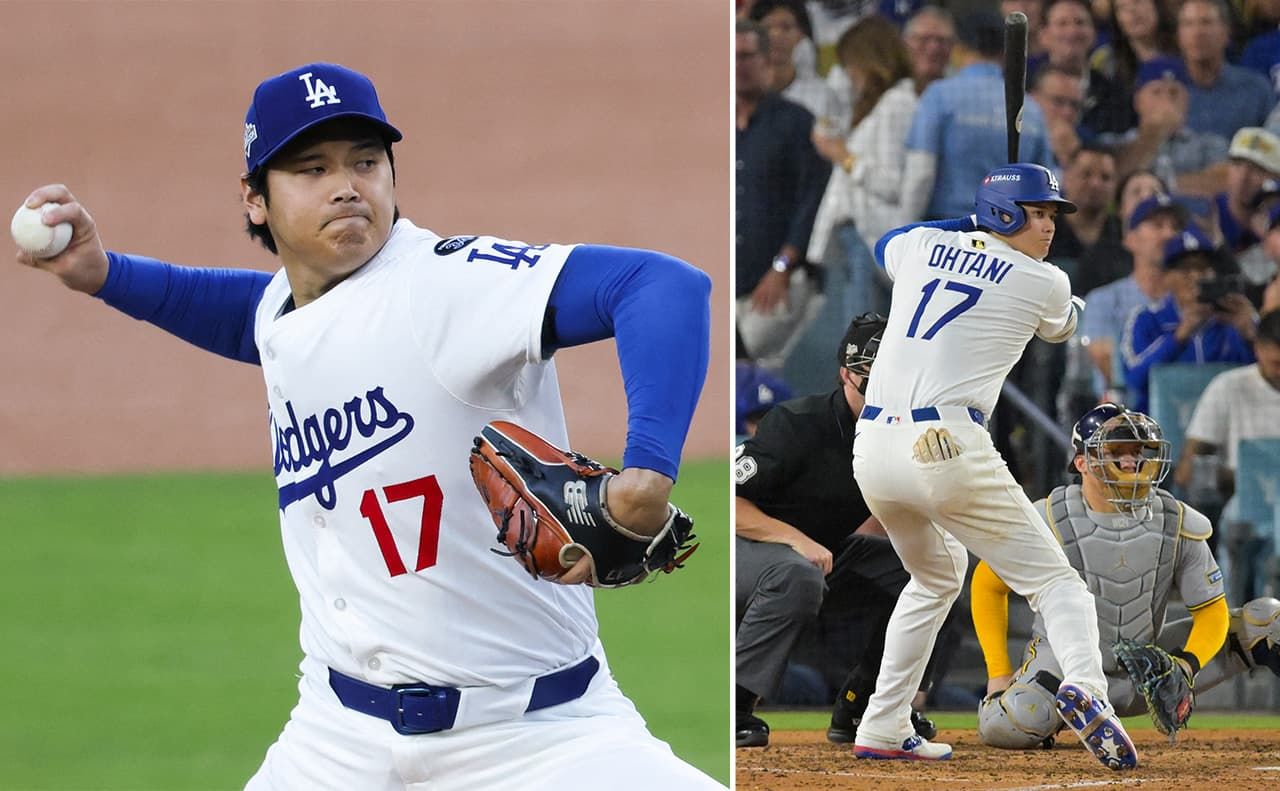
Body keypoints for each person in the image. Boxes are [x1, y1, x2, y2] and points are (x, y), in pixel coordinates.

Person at [14, 62, 722, 790]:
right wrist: (106, 273)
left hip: (536, 739)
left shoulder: (443, 284)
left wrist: (644, 476)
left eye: (365, 161)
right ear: (255, 201)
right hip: (335, 738)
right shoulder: (291, 308)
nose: (347, 184)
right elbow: (253, 318)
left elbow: (660, 285)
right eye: (311, 168)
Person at [851, 162, 1140, 770]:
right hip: (948, 444)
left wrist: (974, 227)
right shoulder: (1046, 281)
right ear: (1007, 213)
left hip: (873, 449)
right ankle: (1090, 692)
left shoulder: (925, 244)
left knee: (935, 577)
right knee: (1058, 585)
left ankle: (882, 722)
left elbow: (889, 240)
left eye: (1052, 214)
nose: (1049, 226)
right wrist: (992, 237)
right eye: (1036, 213)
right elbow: (1064, 329)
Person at [973, 403, 1280, 749]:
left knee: (1269, 623)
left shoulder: (1176, 520)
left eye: (1139, 450)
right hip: (1062, 671)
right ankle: (1051, 714)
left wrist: (1186, 665)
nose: (1132, 459)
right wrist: (998, 673)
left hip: (1147, 669)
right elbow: (987, 583)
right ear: (1082, 462)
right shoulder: (1048, 518)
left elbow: (1211, 610)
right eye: (1117, 450)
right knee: (1012, 724)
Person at [734, 314, 939, 749]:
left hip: (826, 552)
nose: (884, 389)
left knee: (933, 574)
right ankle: (734, 707)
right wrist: (795, 540)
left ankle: (866, 703)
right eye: (872, 378)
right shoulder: (797, 423)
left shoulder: (900, 434)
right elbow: (729, 502)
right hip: (746, 549)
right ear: (845, 374)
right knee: (796, 573)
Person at [736, 18, 832, 370]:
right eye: (731, 57)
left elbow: (813, 200)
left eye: (747, 56)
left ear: (767, 59)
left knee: (746, 359)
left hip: (778, 280)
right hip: (727, 282)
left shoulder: (797, 123)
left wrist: (782, 267)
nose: (739, 66)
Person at [809, 15, 919, 319]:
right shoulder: (880, 105)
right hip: (858, 237)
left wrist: (843, 156)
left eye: (850, 65)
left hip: (870, 238)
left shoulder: (897, 105)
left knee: (862, 348)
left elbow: (892, 183)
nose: (849, 75)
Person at [900, 10, 1055, 223]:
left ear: (959, 48)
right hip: (1007, 231)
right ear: (1004, 52)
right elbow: (1044, 183)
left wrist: (904, 232)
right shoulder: (1032, 108)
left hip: (948, 229)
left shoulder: (939, 95)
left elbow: (921, 174)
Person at [1174, 308, 1280, 596]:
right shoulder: (1228, 389)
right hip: (1246, 503)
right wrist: (1243, 477)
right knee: (1239, 529)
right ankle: (1233, 616)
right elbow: (1188, 470)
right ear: (1258, 348)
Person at [1120, 225, 1257, 412]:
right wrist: (1179, 336)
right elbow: (1134, 380)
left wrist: (1251, 335)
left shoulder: (1235, 317)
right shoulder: (1146, 319)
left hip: (1228, 423)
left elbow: (1268, 378)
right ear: (1166, 277)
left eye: (1203, 268)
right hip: (1161, 426)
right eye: (1185, 269)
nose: (1195, 276)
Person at [1082, 192, 1188, 398]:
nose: (1169, 234)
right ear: (1130, 239)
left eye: (1176, 228)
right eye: (1157, 225)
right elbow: (1108, 369)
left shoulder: (1191, 301)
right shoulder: (1103, 300)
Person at [1097, 56, 1230, 197]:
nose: (1166, 101)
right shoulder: (1113, 142)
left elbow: (1223, 182)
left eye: (1174, 93)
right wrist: (1153, 135)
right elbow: (1112, 181)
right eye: (1156, 92)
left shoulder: (1211, 144)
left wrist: (1160, 187)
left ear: (1187, 101)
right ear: (1137, 101)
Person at [1178, 0, 1276, 142]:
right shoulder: (1166, 92)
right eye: (1188, 24)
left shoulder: (1256, 89)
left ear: (1226, 32)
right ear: (1179, 36)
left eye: (1206, 23)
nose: (1197, 32)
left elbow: (1273, 146)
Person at [1213, 127, 1280, 252]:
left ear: (1276, 178)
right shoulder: (1209, 214)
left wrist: (1269, 240)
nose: (1243, 177)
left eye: (1257, 169)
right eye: (1237, 164)